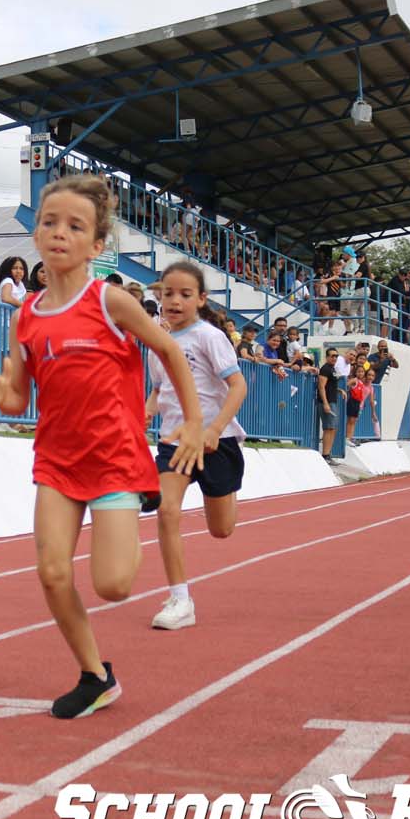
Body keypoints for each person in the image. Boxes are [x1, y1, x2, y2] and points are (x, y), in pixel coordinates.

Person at [0, 174, 204, 719]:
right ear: (35, 234)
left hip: (115, 460)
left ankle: (129, 516)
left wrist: (192, 421)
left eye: (74, 226)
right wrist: (6, 396)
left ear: (96, 246)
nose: (59, 234)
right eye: (49, 222)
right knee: (52, 573)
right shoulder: (26, 315)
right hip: (56, 461)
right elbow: (20, 395)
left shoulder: (110, 301)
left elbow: (169, 350)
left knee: (114, 585)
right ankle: (95, 675)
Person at [144, 262, 248, 631]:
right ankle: (180, 598)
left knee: (221, 530)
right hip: (175, 441)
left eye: (185, 294)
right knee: (166, 510)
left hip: (215, 443)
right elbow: (160, 387)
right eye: (168, 293)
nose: (174, 301)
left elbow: (238, 386)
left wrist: (215, 428)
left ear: (201, 299)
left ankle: (225, 492)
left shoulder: (209, 337)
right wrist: (148, 409)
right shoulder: (159, 342)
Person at [318, 346, 341, 460]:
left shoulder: (333, 369)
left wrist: (339, 390)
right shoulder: (325, 369)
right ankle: (325, 455)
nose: (334, 358)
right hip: (327, 402)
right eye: (332, 356)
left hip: (333, 400)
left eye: (336, 356)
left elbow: (330, 385)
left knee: (333, 428)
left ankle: (328, 454)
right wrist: (325, 403)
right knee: (329, 428)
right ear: (327, 357)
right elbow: (321, 387)